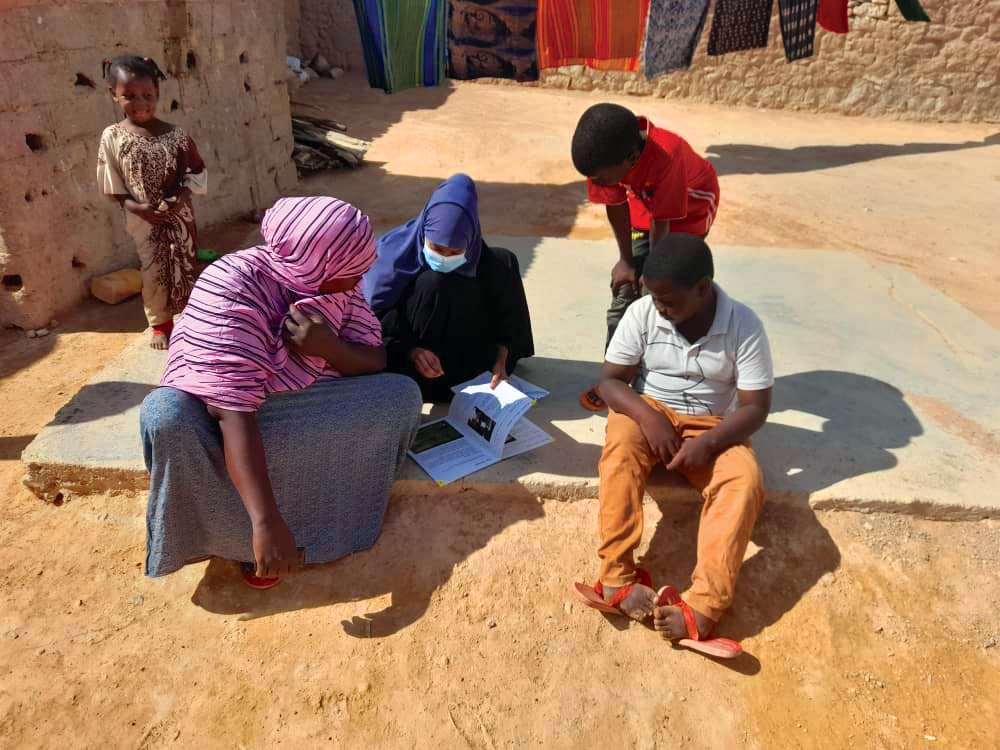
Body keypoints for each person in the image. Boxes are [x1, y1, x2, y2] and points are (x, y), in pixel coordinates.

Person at [141, 197, 422, 589]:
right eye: (351, 272)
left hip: (294, 400)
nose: (360, 281)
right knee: (164, 417)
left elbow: (375, 358)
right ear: (315, 264)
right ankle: (244, 540)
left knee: (401, 396)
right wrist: (266, 523)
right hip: (222, 411)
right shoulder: (231, 286)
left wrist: (329, 348)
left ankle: (312, 535)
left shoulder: (332, 282)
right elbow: (231, 411)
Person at [576, 234, 772, 657]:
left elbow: (756, 409)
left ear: (703, 289)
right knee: (621, 445)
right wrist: (650, 419)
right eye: (653, 297)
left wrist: (708, 444)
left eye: (669, 300)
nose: (659, 308)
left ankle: (702, 610)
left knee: (745, 478)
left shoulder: (744, 325)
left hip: (712, 426)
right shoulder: (643, 312)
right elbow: (610, 382)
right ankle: (615, 579)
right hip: (649, 411)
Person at [570, 103, 721, 411]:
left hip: (689, 206)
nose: (595, 183)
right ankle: (615, 380)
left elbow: (663, 222)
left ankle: (675, 380)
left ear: (632, 159)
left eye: (599, 178)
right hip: (648, 203)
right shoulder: (603, 160)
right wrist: (627, 262)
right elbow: (616, 204)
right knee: (626, 293)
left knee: (672, 295)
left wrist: (653, 277)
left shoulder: (667, 156)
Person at [362, 174, 534, 402]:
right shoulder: (390, 263)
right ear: (425, 233)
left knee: (504, 259)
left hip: (477, 371)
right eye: (436, 248)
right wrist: (412, 352)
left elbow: (509, 329)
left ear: (470, 241)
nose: (444, 258)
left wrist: (501, 359)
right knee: (433, 281)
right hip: (416, 370)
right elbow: (371, 330)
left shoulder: (492, 266)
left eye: (454, 252)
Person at [97, 54, 207, 349]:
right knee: (154, 268)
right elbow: (112, 184)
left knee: (185, 263)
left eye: (147, 95)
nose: (140, 102)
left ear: (157, 94)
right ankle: (160, 324)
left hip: (179, 217)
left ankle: (192, 320)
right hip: (142, 220)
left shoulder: (177, 135)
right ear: (114, 96)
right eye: (129, 96)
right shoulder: (113, 137)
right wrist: (138, 209)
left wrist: (179, 200)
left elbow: (196, 173)